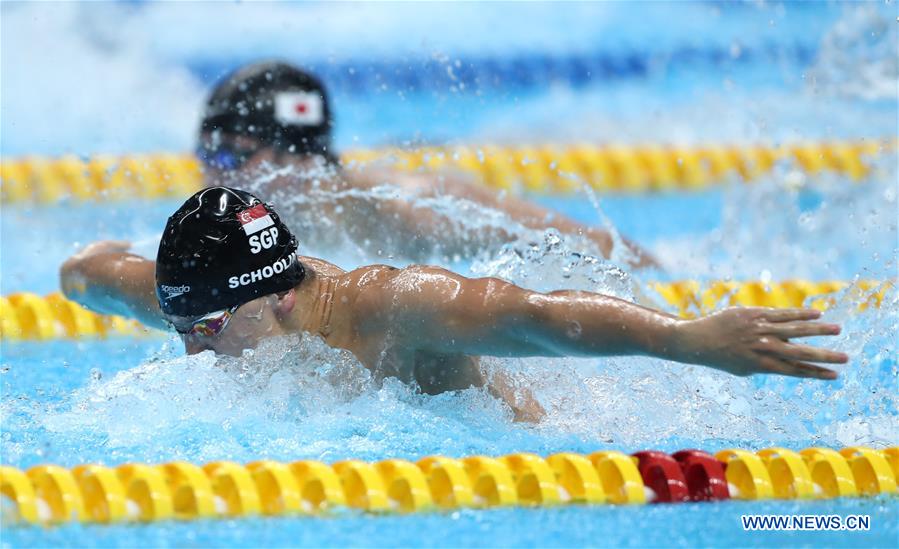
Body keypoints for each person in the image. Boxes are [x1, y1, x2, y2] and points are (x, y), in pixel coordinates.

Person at [61, 187, 849, 422]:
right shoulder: (212, 300)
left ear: (277, 298)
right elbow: (96, 272)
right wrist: (79, 270)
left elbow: (535, 317)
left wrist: (687, 338)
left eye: (203, 330)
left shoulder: (392, 308)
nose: (191, 352)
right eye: (178, 326)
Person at [196, 61, 656, 267]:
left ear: (295, 156)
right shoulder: (238, 227)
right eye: (205, 153)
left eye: (230, 153)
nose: (212, 171)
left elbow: (601, 249)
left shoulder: (408, 204)